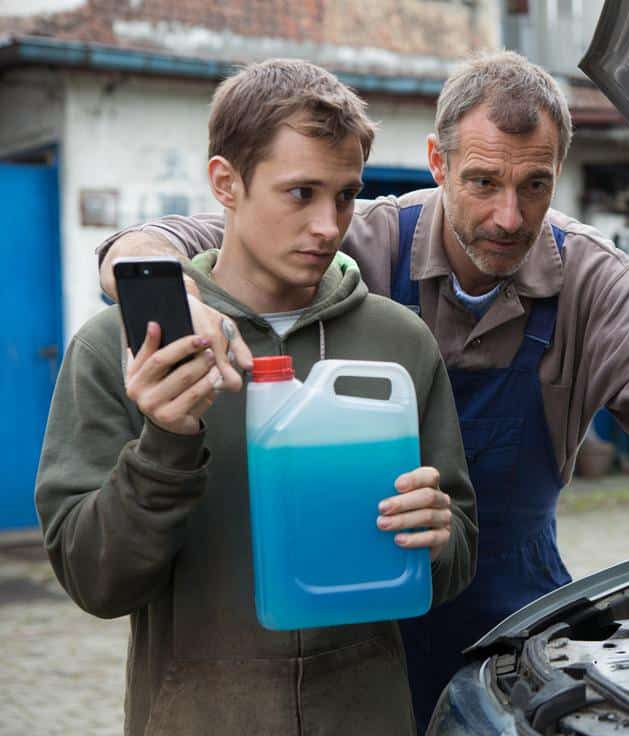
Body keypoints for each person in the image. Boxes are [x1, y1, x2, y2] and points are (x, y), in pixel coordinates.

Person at [96, 50, 629, 731]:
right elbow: (186, 239)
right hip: (365, 620)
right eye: (484, 182)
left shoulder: (587, 275)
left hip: (516, 615)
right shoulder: (362, 239)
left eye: (535, 185)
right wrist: (156, 287)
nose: (509, 216)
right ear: (436, 160)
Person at [40, 59, 476, 735]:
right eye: (300, 193)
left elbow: (455, 558)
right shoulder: (123, 347)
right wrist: (165, 441)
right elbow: (95, 582)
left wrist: (436, 536)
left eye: (345, 195)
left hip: (369, 716)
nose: (329, 225)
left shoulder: (401, 343)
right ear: (226, 183)